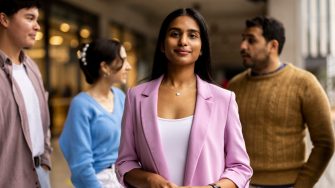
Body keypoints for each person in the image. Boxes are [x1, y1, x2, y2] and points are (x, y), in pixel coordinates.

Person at [115, 8, 252, 188]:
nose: (183, 41)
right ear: (162, 45)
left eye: (193, 35)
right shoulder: (136, 97)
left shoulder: (223, 99)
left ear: (202, 47)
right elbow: (125, 163)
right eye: (174, 34)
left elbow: (240, 168)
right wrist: (149, 180)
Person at [228, 16, 335, 188]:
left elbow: (325, 143)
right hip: (241, 183)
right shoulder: (234, 86)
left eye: (251, 40)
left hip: (288, 184)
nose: (243, 46)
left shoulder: (305, 83)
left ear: (273, 46)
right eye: (243, 39)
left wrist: (301, 185)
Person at [59, 38, 131, 188]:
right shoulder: (81, 105)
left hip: (125, 178)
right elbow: (80, 165)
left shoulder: (121, 97)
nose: (128, 66)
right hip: (98, 182)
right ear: (105, 67)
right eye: (123, 60)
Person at [0, 0, 52, 187]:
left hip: (41, 175)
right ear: (4, 20)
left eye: (37, 19)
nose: (37, 26)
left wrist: (45, 160)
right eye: (30, 18)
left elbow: (43, 121)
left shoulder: (32, 68)